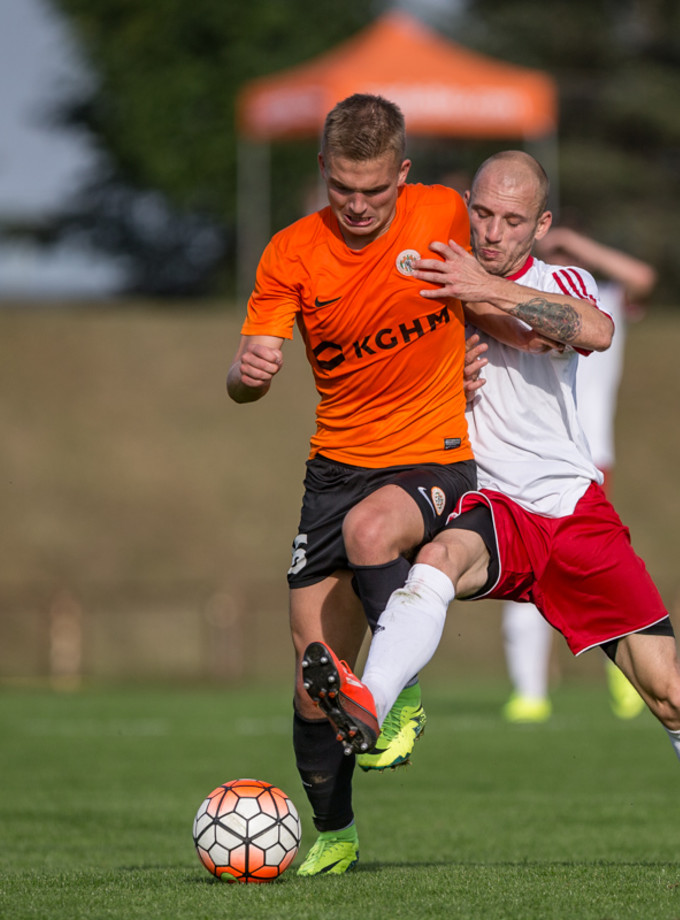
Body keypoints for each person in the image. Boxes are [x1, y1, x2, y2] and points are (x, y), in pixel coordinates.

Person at [301, 150, 680, 869]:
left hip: (575, 512)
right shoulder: (430, 277)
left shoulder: (556, 282)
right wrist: (438, 376)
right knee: (435, 559)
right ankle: (374, 702)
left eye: (512, 219)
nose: (492, 230)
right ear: (468, 203)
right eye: (482, 213)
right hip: (491, 503)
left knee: (671, 693)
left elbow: (593, 330)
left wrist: (482, 289)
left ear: (540, 224)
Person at [226, 94, 476, 876]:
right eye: (344, 189)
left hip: (432, 456)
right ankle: (334, 833)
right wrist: (245, 373)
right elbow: (248, 375)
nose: (360, 206)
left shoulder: (445, 215)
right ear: (323, 172)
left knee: (376, 531)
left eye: (376, 190)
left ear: (403, 174)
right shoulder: (290, 254)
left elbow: (509, 283)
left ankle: (399, 696)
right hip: (334, 469)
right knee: (314, 686)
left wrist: (498, 353)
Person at [501, 227, 658, 724]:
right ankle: (530, 692)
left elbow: (643, 277)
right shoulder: (519, 294)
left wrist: (575, 245)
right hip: (522, 451)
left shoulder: (599, 296)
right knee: (526, 570)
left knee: (593, 568)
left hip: (587, 454)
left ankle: (627, 667)